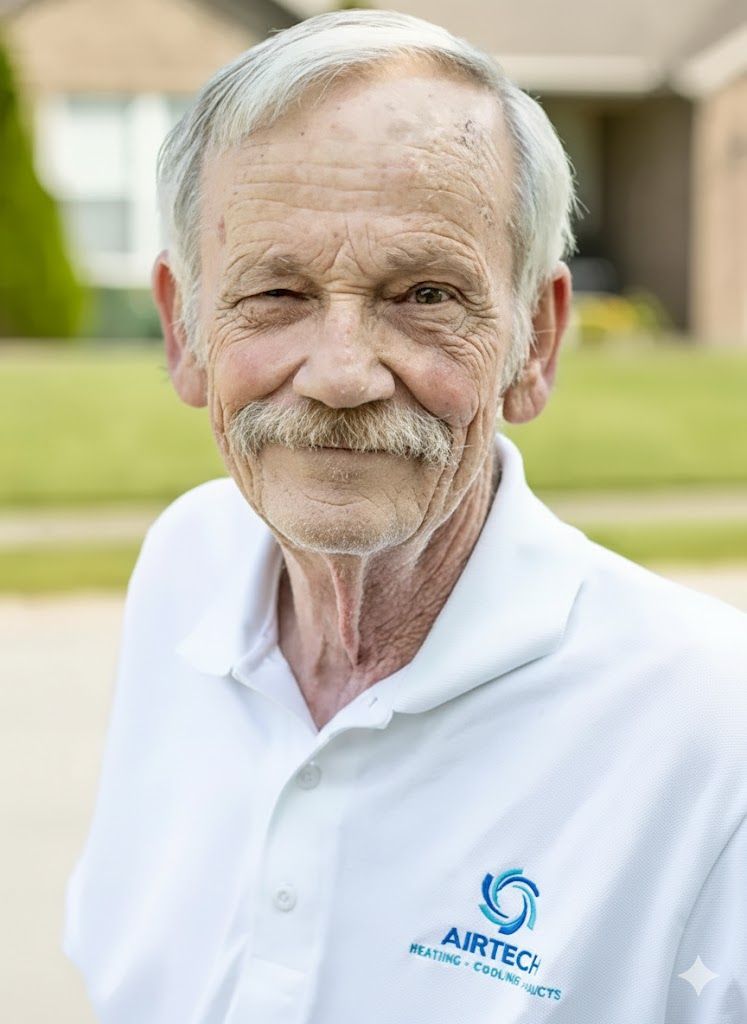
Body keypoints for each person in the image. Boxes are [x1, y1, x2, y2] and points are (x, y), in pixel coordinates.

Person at [62, 10, 746, 1023]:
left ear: (536, 342)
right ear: (186, 330)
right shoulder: (185, 566)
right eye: (277, 290)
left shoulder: (713, 724)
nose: (341, 374)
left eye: (423, 294)